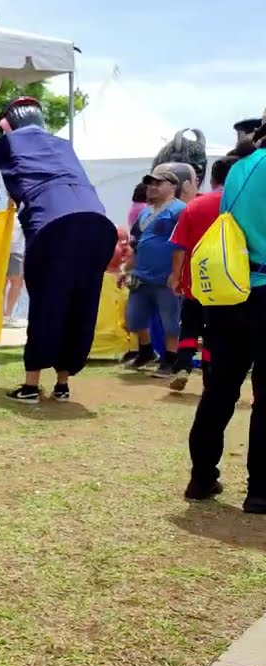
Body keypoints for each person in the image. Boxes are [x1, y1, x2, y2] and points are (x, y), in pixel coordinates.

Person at [0, 96, 117, 403]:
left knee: (47, 304)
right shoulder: (63, 146)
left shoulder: (8, 141)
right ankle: (63, 384)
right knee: (81, 303)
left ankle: (30, 386)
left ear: (7, 124)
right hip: (98, 225)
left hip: (53, 228)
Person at [186, 125, 266, 515]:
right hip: (263, 287)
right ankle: (260, 491)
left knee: (220, 387)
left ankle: (201, 476)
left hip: (232, 289)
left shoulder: (240, 168)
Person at [167, 155, 241, 390]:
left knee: (190, 322)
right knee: (217, 328)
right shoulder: (242, 205)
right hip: (233, 279)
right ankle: (210, 375)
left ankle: (182, 365)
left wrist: (176, 275)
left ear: (212, 178)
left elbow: (180, 245)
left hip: (197, 277)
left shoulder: (195, 206)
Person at [122, 165, 186, 375]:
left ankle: (170, 359)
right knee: (134, 318)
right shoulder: (144, 213)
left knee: (170, 320)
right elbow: (137, 245)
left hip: (166, 277)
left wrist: (178, 272)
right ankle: (146, 351)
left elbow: (184, 243)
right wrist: (126, 269)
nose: (151, 187)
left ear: (173, 186)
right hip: (142, 275)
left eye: (158, 183)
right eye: (150, 183)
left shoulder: (179, 210)